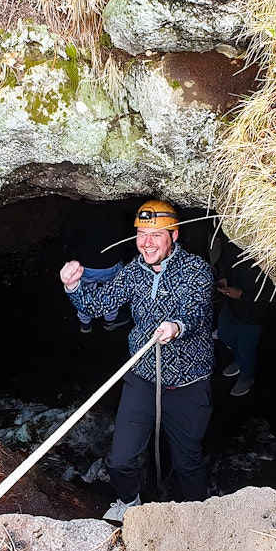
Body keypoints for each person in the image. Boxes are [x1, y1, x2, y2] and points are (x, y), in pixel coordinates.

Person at [59, 199, 214, 522]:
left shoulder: (196, 269)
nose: (146, 243)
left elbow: (196, 312)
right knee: (119, 461)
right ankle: (129, 501)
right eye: (142, 234)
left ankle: (200, 514)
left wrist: (176, 327)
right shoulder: (134, 272)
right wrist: (72, 285)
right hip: (143, 379)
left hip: (188, 385)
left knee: (189, 462)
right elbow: (101, 302)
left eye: (156, 235)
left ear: (174, 235)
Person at [215, 240, 276, 396]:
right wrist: (222, 277)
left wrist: (242, 295)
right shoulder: (241, 242)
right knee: (224, 335)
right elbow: (225, 257)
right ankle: (239, 360)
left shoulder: (275, 262)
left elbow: (274, 299)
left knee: (246, 352)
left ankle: (247, 377)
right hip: (231, 305)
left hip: (252, 316)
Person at [60, 199, 131, 333]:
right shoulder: (115, 210)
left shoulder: (77, 211)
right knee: (112, 294)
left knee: (83, 293)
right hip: (110, 265)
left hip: (84, 266)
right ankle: (110, 321)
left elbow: (66, 236)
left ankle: (85, 324)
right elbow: (124, 235)